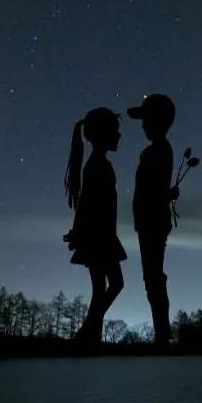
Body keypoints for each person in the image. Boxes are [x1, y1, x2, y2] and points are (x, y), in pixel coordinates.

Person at [63, 107, 127, 346]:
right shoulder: (97, 165)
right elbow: (88, 202)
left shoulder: (97, 164)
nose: (119, 136)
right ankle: (87, 333)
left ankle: (89, 337)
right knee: (113, 284)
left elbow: (85, 203)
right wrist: (78, 231)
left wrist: (78, 230)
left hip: (100, 235)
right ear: (102, 134)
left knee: (102, 288)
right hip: (100, 237)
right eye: (115, 131)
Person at [127, 94, 176, 345]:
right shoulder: (159, 150)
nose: (143, 126)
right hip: (150, 221)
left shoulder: (156, 151)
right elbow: (158, 189)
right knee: (153, 276)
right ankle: (162, 332)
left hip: (151, 222)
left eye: (146, 120)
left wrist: (163, 196)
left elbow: (152, 189)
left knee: (153, 277)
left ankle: (162, 334)